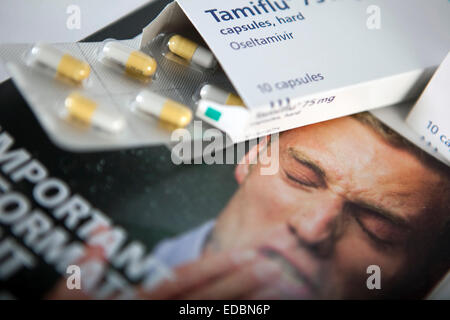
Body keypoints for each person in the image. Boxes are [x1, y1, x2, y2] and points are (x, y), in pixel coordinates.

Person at [49, 112, 450, 300]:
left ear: (428, 279)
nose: (312, 230)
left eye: (378, 228)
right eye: (300, 177)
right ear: (252, 158)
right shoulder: (67, 260)